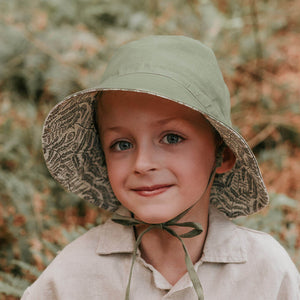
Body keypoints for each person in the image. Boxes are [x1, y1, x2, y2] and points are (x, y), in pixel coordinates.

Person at [21, 35, 299, 300]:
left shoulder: (266, 272)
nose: (142, 164)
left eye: (172, 138)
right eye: (121, 144)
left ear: (222, 154)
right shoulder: (73, 276)